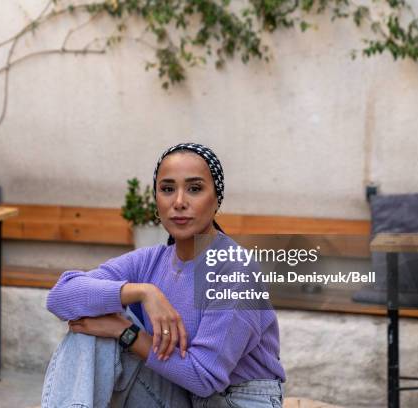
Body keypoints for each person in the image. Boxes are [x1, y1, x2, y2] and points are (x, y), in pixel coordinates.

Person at [42, 142, 286, 407]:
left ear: (217, 199)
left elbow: (204, 377)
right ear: (156, 199)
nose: (179, 202)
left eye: (195, 189)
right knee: (91, 325)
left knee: (110, 324)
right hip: (180, 395)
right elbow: (60, 297)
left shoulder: (234, 269)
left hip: (236, 400)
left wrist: (126, 331)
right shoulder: (150, 261)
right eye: (167, 189)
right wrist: (143, 292)